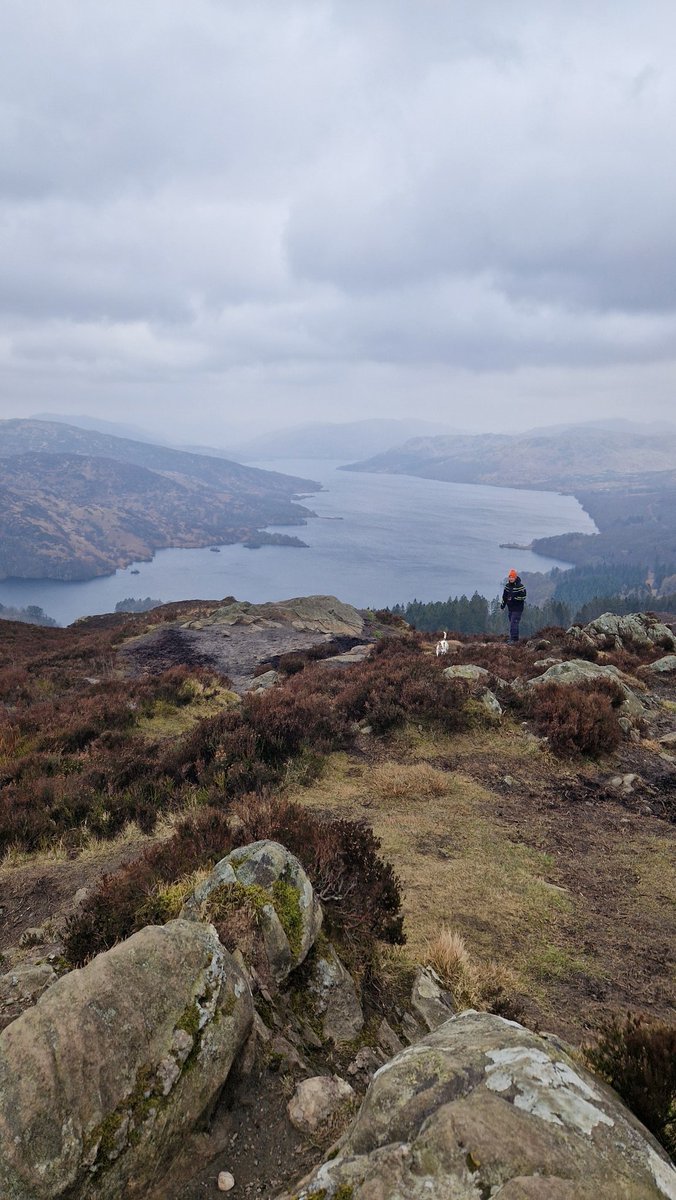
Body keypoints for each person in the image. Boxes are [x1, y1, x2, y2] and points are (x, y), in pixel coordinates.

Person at [501, 569, 527, 643]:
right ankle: (514, 638)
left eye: (512, 577)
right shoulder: (507, 586)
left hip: (518, 608)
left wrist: (514, 599)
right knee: (512, 622)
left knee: (513, 623)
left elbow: (523, 597)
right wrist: (502, 605)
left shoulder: (520, 587)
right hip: (510, 608)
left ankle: (514, 640)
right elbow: (504, 597)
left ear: (515, 578)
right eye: (510, 577)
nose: (511, 578)